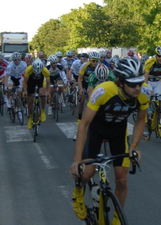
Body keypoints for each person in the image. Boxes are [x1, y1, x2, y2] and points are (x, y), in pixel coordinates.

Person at [69, 58, 148, 222]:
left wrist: (133, 145)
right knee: (87, 172)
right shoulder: (103, 91)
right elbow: (84, 125)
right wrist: (77, 160)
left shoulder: (143, 94)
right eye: (133, 84)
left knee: (122, 180)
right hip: (96, 130)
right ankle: (78, 192)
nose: (138, 88)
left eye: (140, 83)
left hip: (118, 132)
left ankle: (117, 220)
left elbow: (141, 120)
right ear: (120, 82)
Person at [23, 58, 50, 129]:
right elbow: (25, 82)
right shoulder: (29, 69)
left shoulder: (45, 71)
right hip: (31, 81)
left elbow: (47, 83)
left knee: (43, 95)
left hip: (40, 81)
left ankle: (43, 111)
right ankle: (31, 118)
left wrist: (47, 92)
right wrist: (25, 91)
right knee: (30, 100)